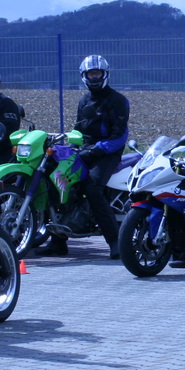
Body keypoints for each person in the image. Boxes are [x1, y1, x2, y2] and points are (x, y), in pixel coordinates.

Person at [39, 55, 129, 259]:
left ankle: (115, 242)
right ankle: (58, 242)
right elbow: (78, 130)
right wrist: (70, 147)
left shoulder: (118, 100)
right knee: (58, 181)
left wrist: (97, 149)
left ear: (105, 74)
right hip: (85, 150)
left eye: (97, 73)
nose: (94, 77)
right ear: (84, 76)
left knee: (93, 188)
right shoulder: (84, 101)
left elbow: (119, 136)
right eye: (91, 74)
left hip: (108, 153)